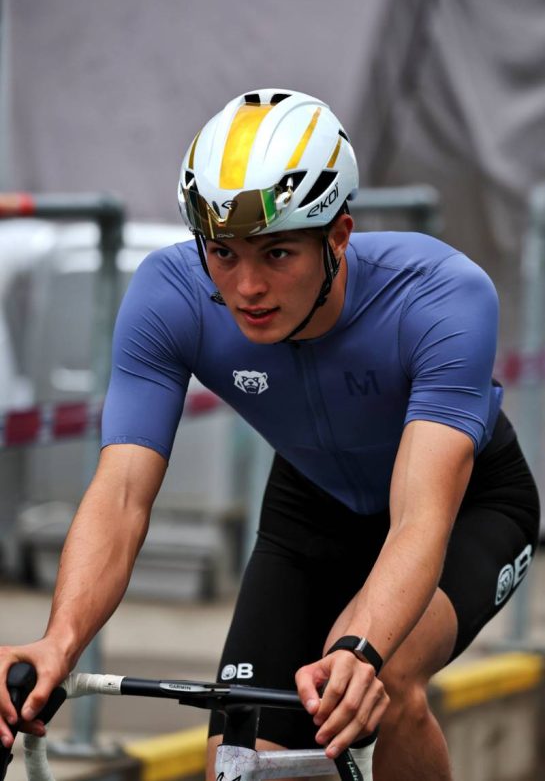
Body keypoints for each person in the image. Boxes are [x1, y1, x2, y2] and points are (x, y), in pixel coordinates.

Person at [0, 89, 540, 781]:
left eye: (277, 252)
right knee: (236, 755)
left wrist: (358, 647)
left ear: (338, 235)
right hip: (310, 506)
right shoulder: (169, 295)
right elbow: (123, 492)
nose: (245, 287)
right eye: (221, 252)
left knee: (385, 686)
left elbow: (417, 521)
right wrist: (58, 642)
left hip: (466, 504)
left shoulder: (440, 295)